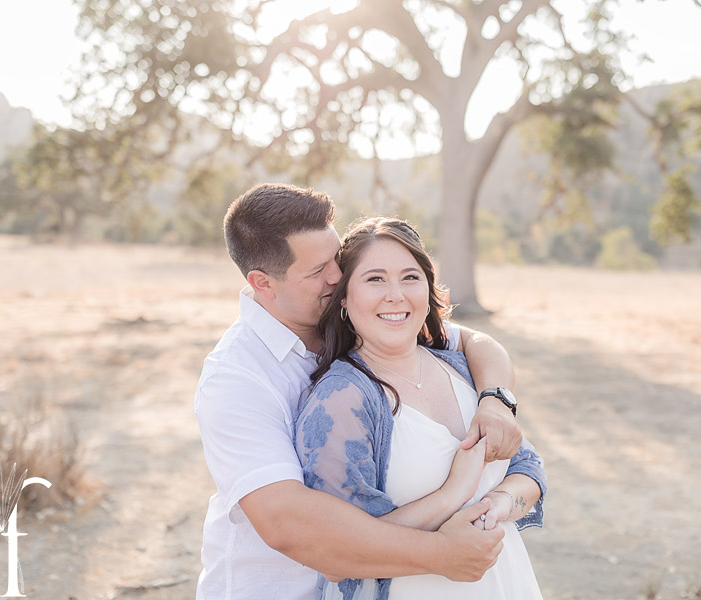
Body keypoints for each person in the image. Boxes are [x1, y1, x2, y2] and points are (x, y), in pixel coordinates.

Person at [194, 183, 532, 600]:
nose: (338, 277)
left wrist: (497, 401)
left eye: (335, 259)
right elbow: (287, 523)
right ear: (263, 283)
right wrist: (444, 550)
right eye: (318, 271)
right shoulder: (237, 379)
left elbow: (472, 343)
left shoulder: (358, 319)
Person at [295, 217, 546, 599]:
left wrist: (496, 504)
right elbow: (340, 549)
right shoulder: (342, 398)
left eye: (410, 277)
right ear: (344, 296)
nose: (395, 295)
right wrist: (453, 493)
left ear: (428, 288)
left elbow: (528, 469)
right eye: (375, 279)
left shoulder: (461, 367)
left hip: (504, 582)